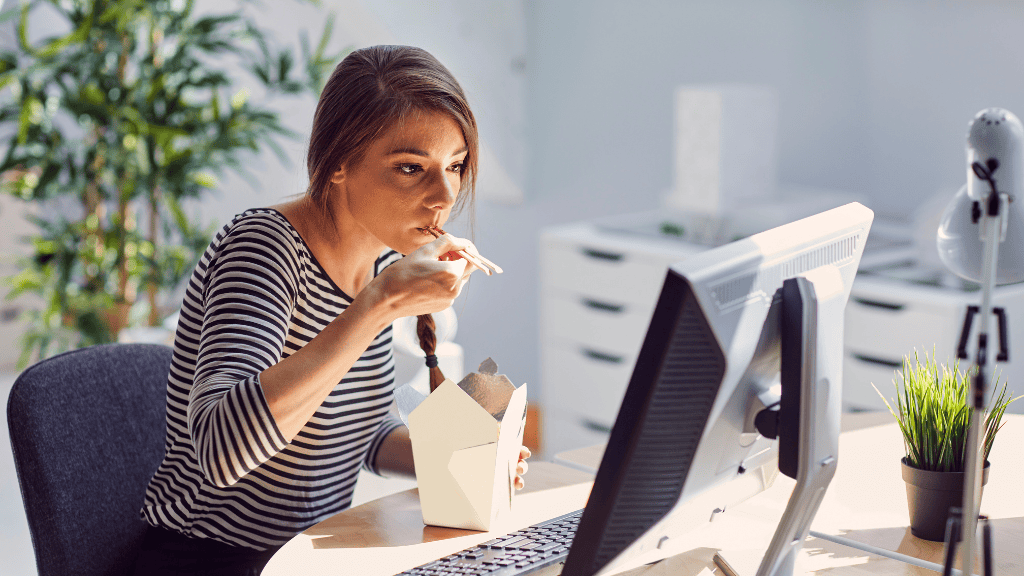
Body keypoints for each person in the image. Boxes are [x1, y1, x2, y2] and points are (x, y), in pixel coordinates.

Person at [133, 45, 530, 576]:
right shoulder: (264, 248)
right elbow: (222, 452)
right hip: (210, 560)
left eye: (455, 166)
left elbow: (355, 431)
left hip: (313, 558)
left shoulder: (379, 258)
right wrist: (377, 305)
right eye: (411, 168)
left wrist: (463, 460)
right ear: (339, 162)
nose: (444, 195)